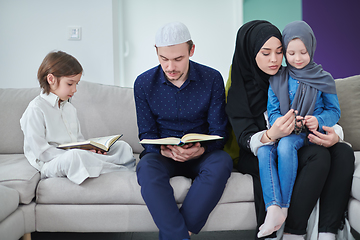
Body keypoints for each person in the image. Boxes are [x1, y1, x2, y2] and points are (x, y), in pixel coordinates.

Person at [225, 20, 354, 240]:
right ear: (250, 52)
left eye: (279, 52)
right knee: (317, 157)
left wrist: (335, 134)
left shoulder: (297, 74)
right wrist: (270, 135)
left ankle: (328, 230)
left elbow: (321, 108)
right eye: (265, 53)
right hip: (258, 148)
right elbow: (244, 136)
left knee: (343, 152)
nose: (274, 60)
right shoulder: (240, 85)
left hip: (299, 136)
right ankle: (293, 229)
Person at [134, 22, 233, 240]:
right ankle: (180, 235)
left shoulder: (212, 78)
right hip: (164, 156)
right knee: (146, 168)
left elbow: (219, 130)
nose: (170, 67)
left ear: (191, 50)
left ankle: (177, 234)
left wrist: (201, 150)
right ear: (157, 53)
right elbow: (146, 135)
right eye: (164, 59)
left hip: (202, 154)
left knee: (223, 161)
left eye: (178, 59)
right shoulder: (142, 83)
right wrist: (164, 151)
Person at [256, 20, 341, 238]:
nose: (297, 58)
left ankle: (283, 207)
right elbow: (272, 112)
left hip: (309, 134)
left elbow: (334, 111)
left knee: (285, 146)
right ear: (285, 52)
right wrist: (282, 122)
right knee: (273, 148)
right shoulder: (277, 79)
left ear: (311, 48)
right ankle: (277, 208)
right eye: (291, 53)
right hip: (287, 132)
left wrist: (319, 120)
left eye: (303, 52)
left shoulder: (324, 78)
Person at [20, 51, 136, 185]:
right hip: (50, 163)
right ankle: (119, 169)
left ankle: (102, 166)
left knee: (122, 147)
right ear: (51, 79)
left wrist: (90, 149)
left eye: (76, 84)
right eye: (70, 84)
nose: (74, 90)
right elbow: (42, 153)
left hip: (76, 155)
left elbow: (78, 140)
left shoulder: (69, 109)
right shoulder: (36, 109)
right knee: (75, 157)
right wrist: (81, 154)